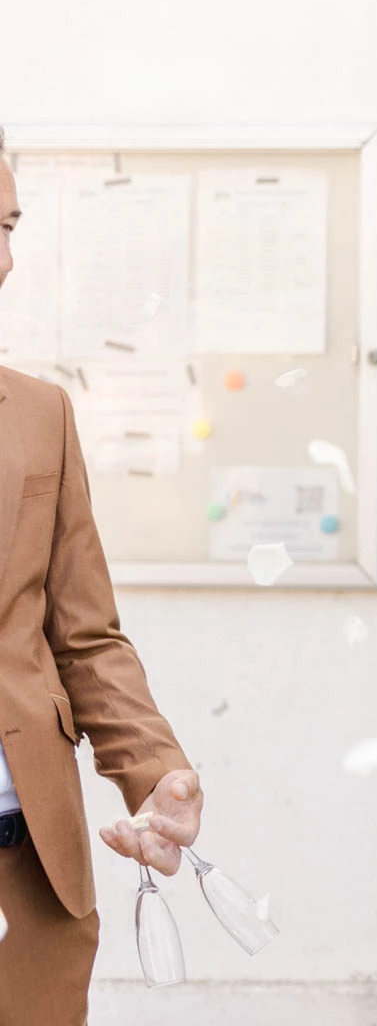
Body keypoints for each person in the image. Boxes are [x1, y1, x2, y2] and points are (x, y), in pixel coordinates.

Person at [0, 134, 203, 1024]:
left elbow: (84, 637)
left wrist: (153, 771)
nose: (4, 262)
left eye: (8, 227)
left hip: (26, 872)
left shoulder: (40, 414)